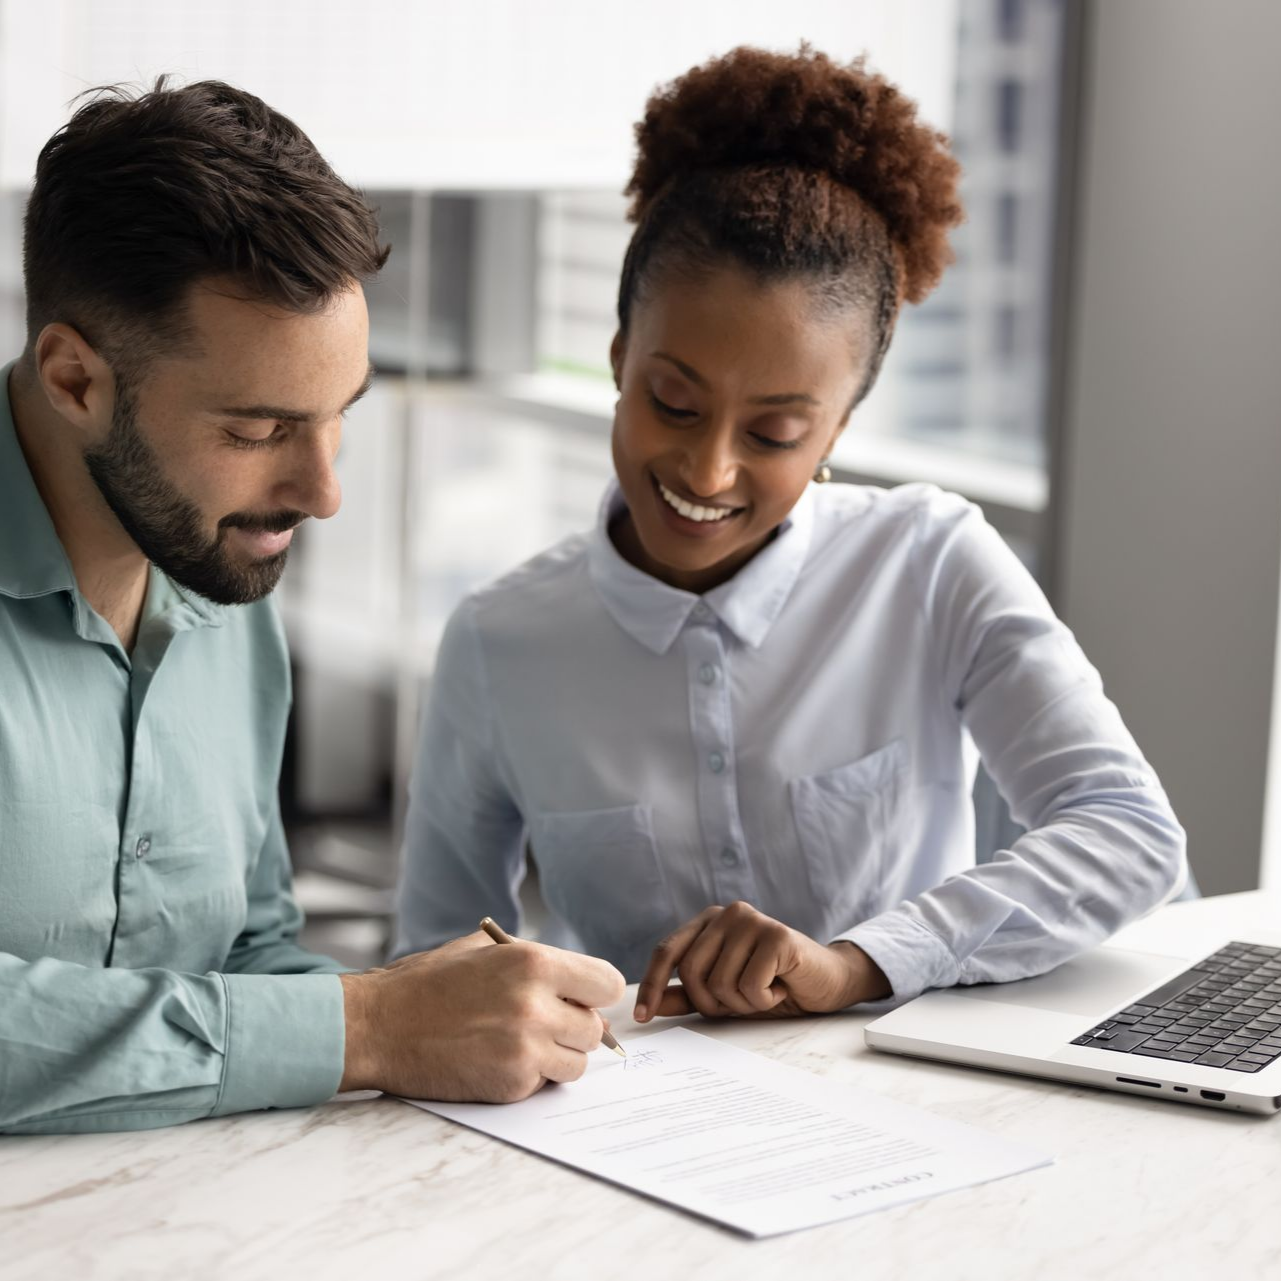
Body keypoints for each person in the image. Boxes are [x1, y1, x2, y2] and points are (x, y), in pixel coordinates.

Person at [395, 47, 1187, 1024]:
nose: (708, 471)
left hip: (913, 1111)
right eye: (672, 402)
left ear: (839, 429)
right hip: (625, 1133)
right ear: (617, 357)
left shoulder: (931, 562)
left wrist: (857, 962)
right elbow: (429, 960)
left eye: (773, 433)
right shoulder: (497, 639)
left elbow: (1129, 834)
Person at [0, 80, 623, 1135]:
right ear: (73, 379)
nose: (323, 492)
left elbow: (241, 950)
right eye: (257, 429)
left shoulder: (215, 566)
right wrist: (368, 1026)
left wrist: (441, 1006)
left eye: (340, 416)